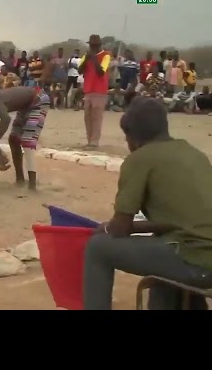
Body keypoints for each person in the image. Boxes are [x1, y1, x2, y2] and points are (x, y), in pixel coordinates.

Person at [83, 97, 212, 310]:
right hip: (198, 252)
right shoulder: (194, 154)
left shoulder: (140, 159)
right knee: (162, 249)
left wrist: (105, 227)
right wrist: (140, 228)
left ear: (132, 137)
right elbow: (178, 222)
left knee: (98, 248)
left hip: (196, 259)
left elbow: (120, 227)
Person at [0, 86, 50, 191]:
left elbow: (6, 119)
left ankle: (32, 185)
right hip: (25, 105)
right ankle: (20, 179)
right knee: (13, 139)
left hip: (38, 99)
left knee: (27, 141)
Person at [79, 35, 110, 148]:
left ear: (98, 46)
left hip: (99, 90)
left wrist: (94, 59)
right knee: (87, 116)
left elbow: (101, 72)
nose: (92, 47)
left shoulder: (105, 55)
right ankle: (89, 139)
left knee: (96, 116)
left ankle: (94, 141)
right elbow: (79, 70)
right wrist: (86, 59)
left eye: (94, 46)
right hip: (88, 90)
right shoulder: (86, 55)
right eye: (91, 45)